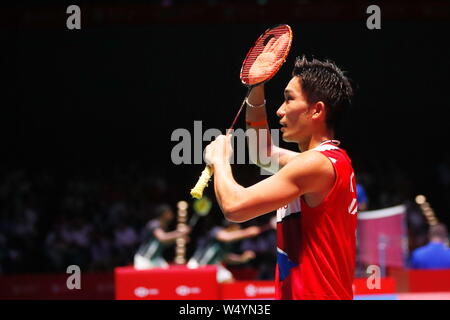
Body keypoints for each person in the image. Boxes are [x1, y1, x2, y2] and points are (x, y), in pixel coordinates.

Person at [204, 50, 357, 299]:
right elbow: (262, 154)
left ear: (316, 111)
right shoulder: (331, 161)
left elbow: (235, 207)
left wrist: (220, 161)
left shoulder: (315, 165)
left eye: (289, 99)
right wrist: (257, 87)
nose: (279, 111)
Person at [187, 219, 273, 283]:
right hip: (198, 265)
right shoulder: (216, 231)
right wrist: (247, 232)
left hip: (214, 267)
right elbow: (226, 237)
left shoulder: (229, 244)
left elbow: (226, 258)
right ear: (230, 226)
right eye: (237, 228)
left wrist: (242, 259)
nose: (238, 231)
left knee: (228, 280)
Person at [134, 204, 190, 269]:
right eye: (169, 212)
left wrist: (178, 239)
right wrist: (180, 233)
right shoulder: (153, 224)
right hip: (144, 259)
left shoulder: (164, 227)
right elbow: (162, 238)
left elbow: (165, 243)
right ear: (164, 214)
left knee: (166, 274)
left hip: (156, 259)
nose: (172, 214)